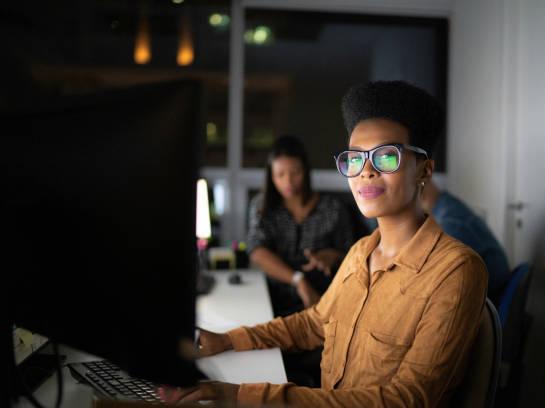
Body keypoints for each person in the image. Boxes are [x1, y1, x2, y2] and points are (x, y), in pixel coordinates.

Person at [161, 81, 488, 407]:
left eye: (386, 157)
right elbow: (314, 321)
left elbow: (407, 399)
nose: (366, 172)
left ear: (425, 170)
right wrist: (228, 340)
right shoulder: (362, 252)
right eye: (354, 159)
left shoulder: (455, 271)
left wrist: (240, 395)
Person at [246, 135, 355, 318]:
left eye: (295, 172)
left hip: (324, 301)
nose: (288, 182)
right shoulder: (262, 206)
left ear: (305, 171)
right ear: (271, 176)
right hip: (272, 300)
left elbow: (352, 254)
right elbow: (257, 251)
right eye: (280, 175)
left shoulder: (332, 208)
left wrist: (332, 256)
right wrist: (298, 280)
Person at [421, 180, 511, 302]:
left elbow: (443, 287)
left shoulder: (451, 224)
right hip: (493, 294)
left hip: (489, 301)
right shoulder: (448, 205)